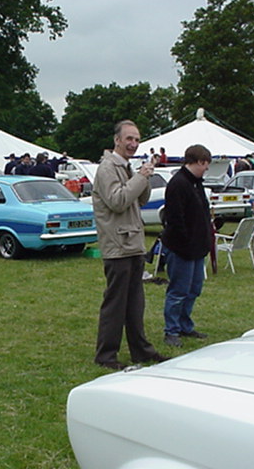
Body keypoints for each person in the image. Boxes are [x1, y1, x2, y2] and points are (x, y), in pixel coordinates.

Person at [92, 120, 168, 370]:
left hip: (132, 243)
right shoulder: (107, 168)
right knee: (115, 304)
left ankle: (141, 351)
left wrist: (144, 177)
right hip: (117, 245)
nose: (133, 144)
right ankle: (106, 356)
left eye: (136, 139)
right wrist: (139, 177)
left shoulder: (125, 167)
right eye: (129, 139)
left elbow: (141, 199)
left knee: (135, 304)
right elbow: (118, 201)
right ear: (117, 140)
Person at [161, 144, 213, 347]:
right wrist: (185, 243)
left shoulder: (196, 183)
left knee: (194, 289)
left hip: (197, 248)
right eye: (205, 164)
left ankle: (185, 325)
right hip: (181, 249)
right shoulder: (178, 184)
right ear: (199, 161)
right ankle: (171, 330)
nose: (207, 168)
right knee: (178, 291)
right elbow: (175, 219)